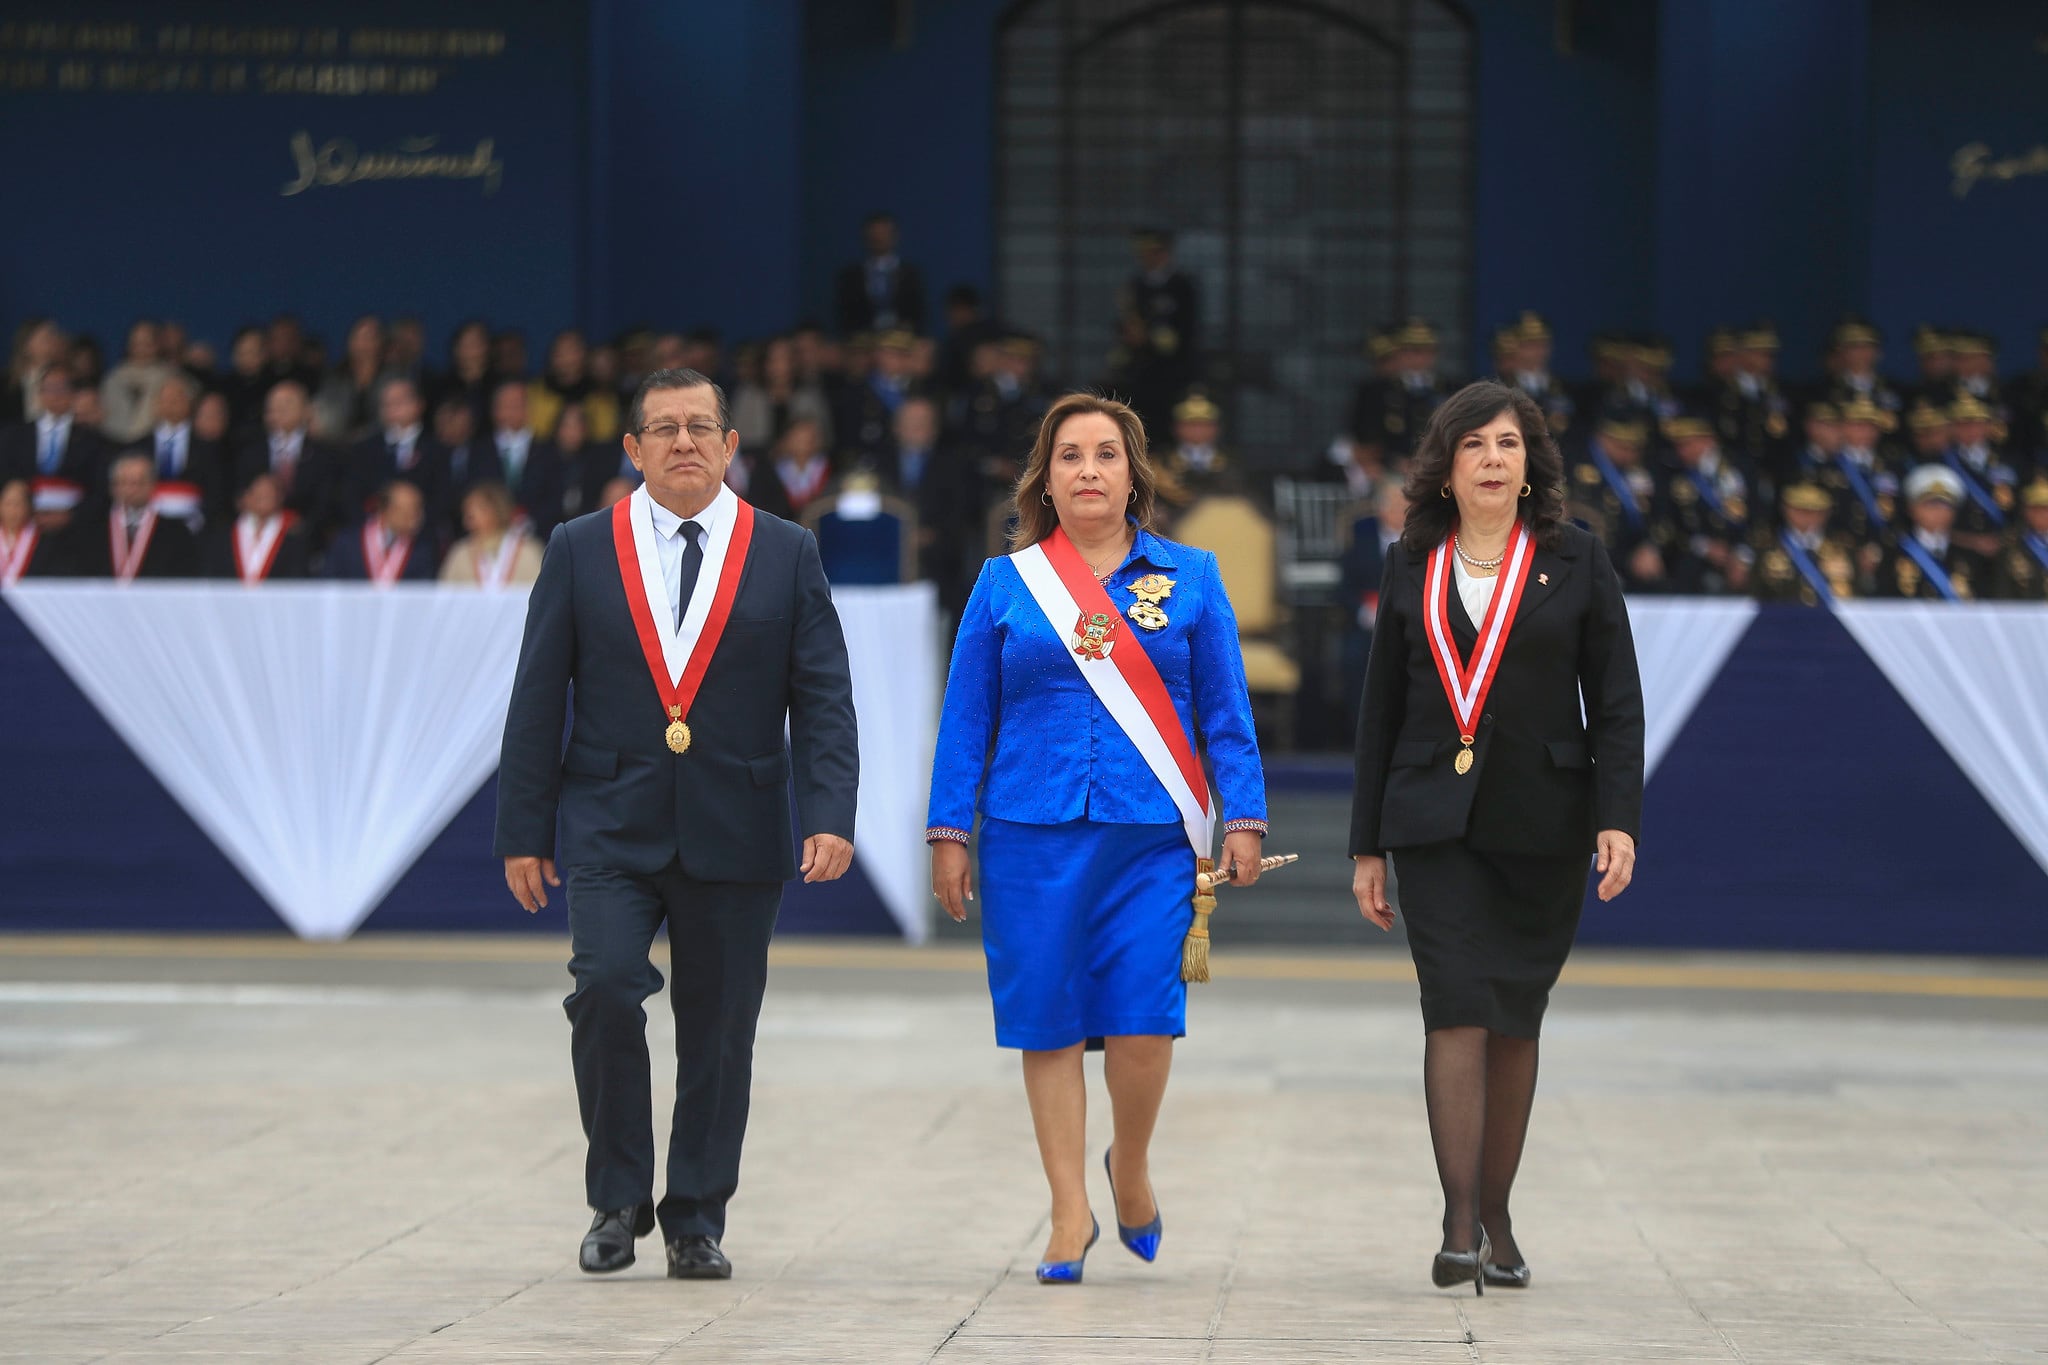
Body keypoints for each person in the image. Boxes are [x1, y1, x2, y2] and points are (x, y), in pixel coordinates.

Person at [495, 366, 858, 1283]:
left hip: (738, 822)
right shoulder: (581, 546)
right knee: (609, 989)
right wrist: (522, 828)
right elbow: (538, 695)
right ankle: (617, 1200)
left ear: (732, 445)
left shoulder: (784, 550)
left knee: (720, 1029)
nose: (684, 442)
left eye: (701, 426)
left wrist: (829, 812)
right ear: (633, 449)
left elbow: (822, 697)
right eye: (664, 428)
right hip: (612, 821)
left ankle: (695, 1215)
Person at [925, 391, 1267, 1285]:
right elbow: (967, 716)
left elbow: (1226, 713)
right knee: (1048, 1019)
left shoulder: (1191, 576)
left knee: (1144, 1023)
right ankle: (1069, 1207)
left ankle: (1134, 1165)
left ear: (1133, 473)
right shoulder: (1006, 583)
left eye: (1106, 454)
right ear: (1047, 475)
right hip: (1030, 833)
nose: (1088, 470)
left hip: (1152, 836)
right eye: (1070, 455)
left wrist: (1245, 815)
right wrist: (948, 830)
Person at [1349, 380, 1644, 1295]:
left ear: (1529, 468)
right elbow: (1380, 712)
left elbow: (1620, 703)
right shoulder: (1412, 561)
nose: (1489, 459)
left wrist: (1617, 817)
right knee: (1456, 1008)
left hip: (1544, 823)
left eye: (1506, 445)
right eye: (1472, 444)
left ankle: (1501, 1217)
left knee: (1515, 1016)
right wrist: (1367, 844)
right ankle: (1457, 1222)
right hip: (1432, 822)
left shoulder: (1578, 559)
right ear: (1447, 465)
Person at [61, 451, 200, 580]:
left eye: (138, 483)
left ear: (152, 485)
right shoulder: (90, 530)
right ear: (112, 487)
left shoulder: (175, 532)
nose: (130, 490)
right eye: (123, 483)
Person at [239, 379, 345, 547]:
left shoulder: (326, 455)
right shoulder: (249, 453)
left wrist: (303, 529)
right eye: (273, 405)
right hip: (256, 540)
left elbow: (327, 502)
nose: (279, 409)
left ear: (307, 411)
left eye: (287, 403)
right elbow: (241, 496)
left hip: (309, 541)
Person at [128, 375, 227, 527]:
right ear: (155, 404)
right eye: (165, 399)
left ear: (190, 404)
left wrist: (200, 520)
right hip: (147, 526)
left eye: (177, 398)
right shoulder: (138, 447)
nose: (171, 404)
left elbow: (216, 491)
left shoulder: (208, 448)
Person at [1875, 465, 1982, 600]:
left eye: (1945, 505)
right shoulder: (1893, 551)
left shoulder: (1967, 554)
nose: (1938, 511)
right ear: (1911, 509)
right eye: (1930, 504)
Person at [0, 367, 110, 494]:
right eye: (49, 388)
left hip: (73, 510)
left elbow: (97, 486)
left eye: (62, 388)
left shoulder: (91, 438)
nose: (56, 394)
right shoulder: (13, 436)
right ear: (39, 394)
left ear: (73, 394)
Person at [202, 470, 312, 584]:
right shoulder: (223, 536)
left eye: (269, 494)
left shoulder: (293, 533)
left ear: (280, 497)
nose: (264, 498)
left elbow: (297, 578)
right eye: (258, 494)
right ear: (245, 497)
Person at [324, 479, 437, 585]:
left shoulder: (422, 548)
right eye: (408, 512)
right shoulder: (348, 542)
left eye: (418, 510)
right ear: (386, 510)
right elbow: (328, 585)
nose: (417, 518)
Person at [440, 481, 543, 589]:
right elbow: (444, 595)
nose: (469, 522)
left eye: (479, 510)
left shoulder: (528, 552)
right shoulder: (460, 554)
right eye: (467, 514)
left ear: (497, 510)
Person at [835, 212, 926, 335]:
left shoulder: (911, 274)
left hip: (901, 343)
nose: (879, 238)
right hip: (862, 344)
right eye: (874, 234)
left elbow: (919, 314)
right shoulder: (850, 276)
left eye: (883, 234)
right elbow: (844, 316)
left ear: (895, 236)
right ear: (866, 237)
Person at [98, 319, 178, 445]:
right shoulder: (114, 377)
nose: (141, 347)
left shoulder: (170, 376)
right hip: (113, 443)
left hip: (155, 444)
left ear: (157, 344)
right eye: (137, 342)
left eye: (147, 342)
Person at [1993, 476, 2048, 600]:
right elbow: (2002, 591)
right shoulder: (2011, 546)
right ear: (2026, 511)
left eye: (2046, 509)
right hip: (2027, 615)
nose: (2042, 514)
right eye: (2036, 509)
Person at [0, 476, 55, 584]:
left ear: (29, 506)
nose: (13, 510)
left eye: (18, 504)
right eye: (8, 503)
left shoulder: (44, 540)